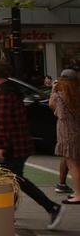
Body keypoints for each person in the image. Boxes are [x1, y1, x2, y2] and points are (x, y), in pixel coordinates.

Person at [0, 60, 64, 229]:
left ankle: (51, 207)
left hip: (13, 146)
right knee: (11, 179)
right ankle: (9, 213)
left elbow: (3, 121)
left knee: (14, 179)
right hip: (18, 144)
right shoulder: (7, 91)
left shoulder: (3, 94)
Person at [50, 69, 80, 204]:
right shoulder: (77, 94)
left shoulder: (60, 96)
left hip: (66, 132)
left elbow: (52, 107)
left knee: (72, 164)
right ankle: (77, 191)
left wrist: (53, 90)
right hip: (77, 130)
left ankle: (78, 194)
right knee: (77, 162)